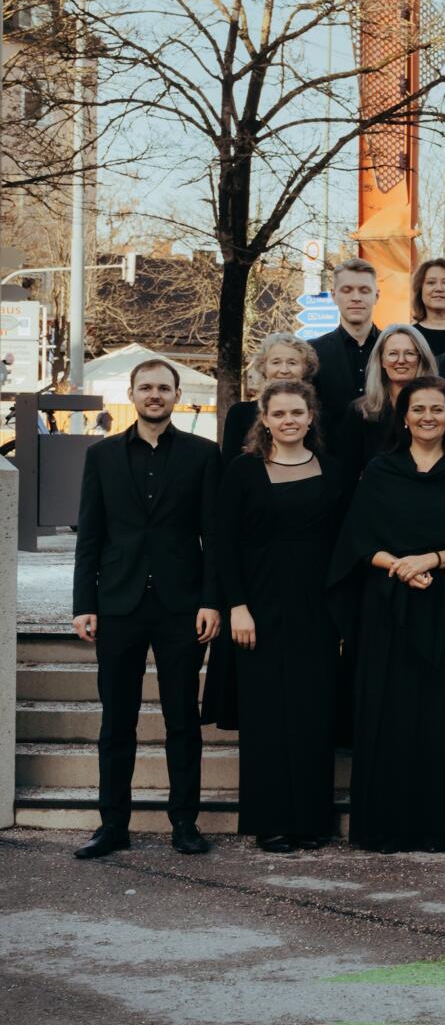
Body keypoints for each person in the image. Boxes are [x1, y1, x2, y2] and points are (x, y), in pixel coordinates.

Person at [332, 377, 445, 853]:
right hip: (388, 610)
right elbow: (357, 541)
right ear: (403, 417)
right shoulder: (381, 471)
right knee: (392, 714)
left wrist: (433, 559)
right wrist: (400, 567)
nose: (428, 417)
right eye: (418, 409)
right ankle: (388, 826)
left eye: (437, 410)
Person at [71, 358, 222, 860]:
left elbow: (215, 538)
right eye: (146, 388)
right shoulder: (102, 455)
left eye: (163, 387)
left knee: (182, 719)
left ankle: (185, 823)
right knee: (117, 721)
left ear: (177, 395)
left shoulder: (203, 455)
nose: (154, 395)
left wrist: (211, 601)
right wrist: (83, 604)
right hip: (117, 604)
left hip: (182, 607)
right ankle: (112, 824)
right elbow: (89, 537)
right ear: (131, 394)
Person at [207, 379, 343, 853]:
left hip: (316, 610)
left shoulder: (332, 470)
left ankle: (310, 820)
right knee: (266, 717)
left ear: (311, 418)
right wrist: (237, 606)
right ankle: (271, 822)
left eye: (297, 413)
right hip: (258, 609)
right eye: (279, 414)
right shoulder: (243, 471)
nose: (289, 421)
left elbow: (344, 544)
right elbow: (223, 544)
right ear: (263, 419)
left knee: (312, 714)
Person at [334, 324, 436, 479]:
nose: (401, 360)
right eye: (393, 353)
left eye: (409, 353)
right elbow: (347, 473)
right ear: (381, 360)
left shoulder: (441, 408)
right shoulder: (361, 411)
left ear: (421, 358)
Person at [310, 258, 384, 421]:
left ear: (376, 296)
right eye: (347, 290)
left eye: (364, 290)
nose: (356, 297)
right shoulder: (312, 352)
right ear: (334, 296)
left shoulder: (391, 347)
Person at [225, 333, 320, 458]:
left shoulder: (318, 413)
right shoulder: (239, 413)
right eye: (276, 362)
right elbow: (229, 466)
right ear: (263, 367)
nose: (284, 370)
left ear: (305, 369)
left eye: (292, 363)